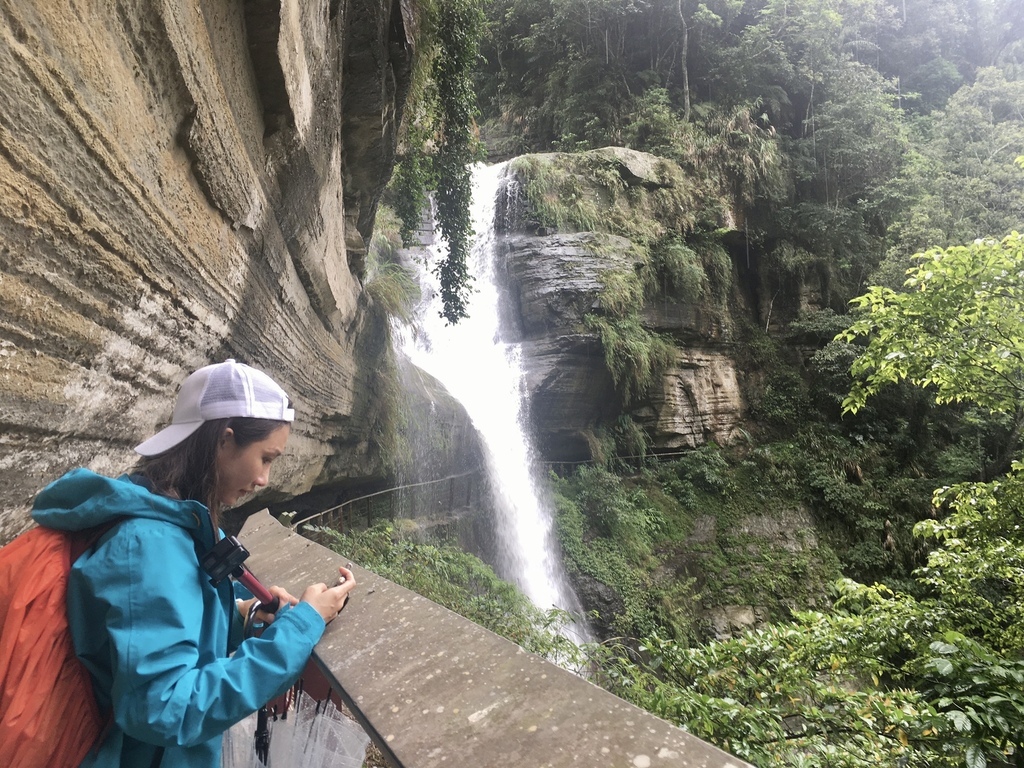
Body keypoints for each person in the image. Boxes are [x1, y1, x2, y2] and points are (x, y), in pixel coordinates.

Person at [31, 359, 355, 768]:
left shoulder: (176, 518)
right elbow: (165, 708)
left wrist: (244, 614)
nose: (264, 480)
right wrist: (301, 625)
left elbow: (156, 629)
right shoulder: (149, 544)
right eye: (266, 458)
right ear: (225, 440)